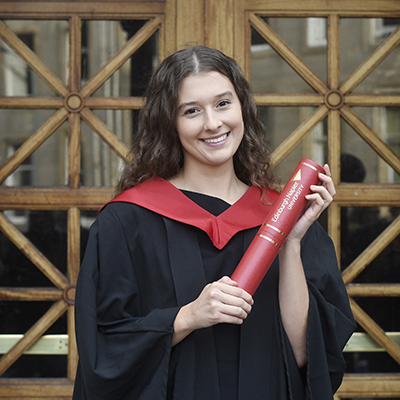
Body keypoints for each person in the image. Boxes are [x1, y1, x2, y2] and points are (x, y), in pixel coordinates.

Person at [73, 45, 355, 400]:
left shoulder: (284, 219)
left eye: (223, 103)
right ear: (169, 123)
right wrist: (188, 316)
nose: (212, 123)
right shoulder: (127, 221)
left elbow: (306, 357)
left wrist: (292, 243)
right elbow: (104, 352)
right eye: (192, 111)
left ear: (243, 108)